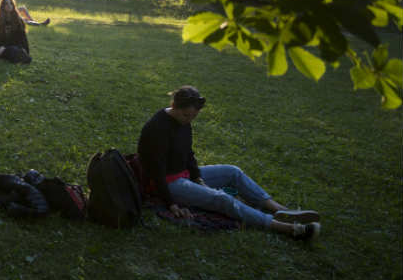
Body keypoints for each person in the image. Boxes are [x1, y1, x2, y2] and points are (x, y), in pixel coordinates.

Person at [137, 86, 321, 240]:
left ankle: (281, 210)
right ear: (174, 106)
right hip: (166, 183)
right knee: (222, 199)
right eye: (186, 115)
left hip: (183, 174)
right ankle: (286, 228)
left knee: (233, 172)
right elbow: (156, 170)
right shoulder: (158, 128)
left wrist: (198, 178)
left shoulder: (184, 121)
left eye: (193, 116)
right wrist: (170, 203)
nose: (189, 120)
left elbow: (188, 154)